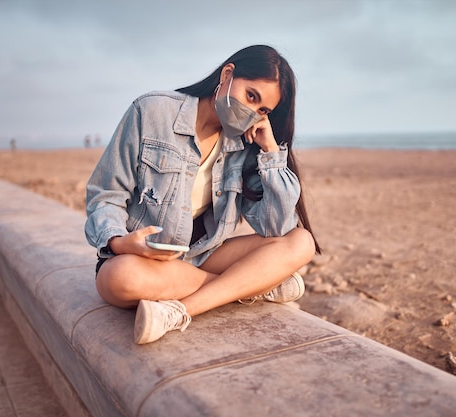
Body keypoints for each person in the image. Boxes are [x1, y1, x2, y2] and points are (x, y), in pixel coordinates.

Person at [85, 45, 321, 345]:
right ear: (227, 74)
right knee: (118, 279)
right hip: (145, 260)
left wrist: (271, 152)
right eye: (251, 96)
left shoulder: (246, 144)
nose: (252, 113)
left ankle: (179, 310)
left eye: (263, 110)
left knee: (302, 241)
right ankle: (250, 287)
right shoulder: (152, 111)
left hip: (201, 256)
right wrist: (121, 243)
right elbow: (105, 194)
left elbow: (277, 228)